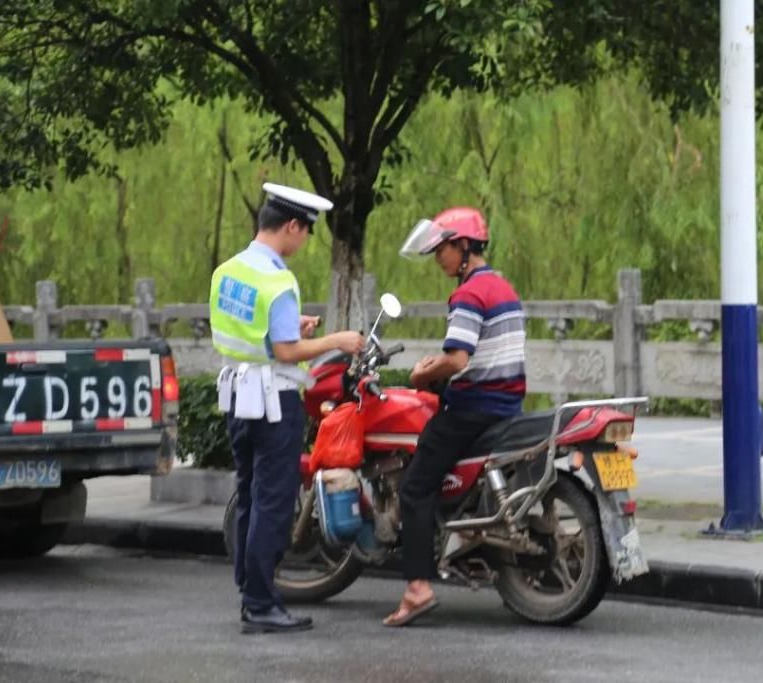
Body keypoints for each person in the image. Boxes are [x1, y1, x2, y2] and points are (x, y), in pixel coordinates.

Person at [209, 182, 364, 634]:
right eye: (305, 233)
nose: (303, 243)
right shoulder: (278, 279)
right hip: (274, 401)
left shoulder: (229, 270)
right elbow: (285, 351)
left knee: (250, 495)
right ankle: (260, 604)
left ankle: (247, 586)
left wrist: (290, 327)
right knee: (273, 504)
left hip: (238, 396)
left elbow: (244, 330)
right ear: (291, 226)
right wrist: (337, 340)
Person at [383, 207, 527, 626]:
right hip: (506, 404)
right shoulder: (502, 286)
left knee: (413, 486)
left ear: (463, 247)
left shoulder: (468, 293)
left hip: (473, 408)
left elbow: (459, 358)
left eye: (442, 249)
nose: (437, 258)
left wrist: (425, 372)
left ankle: (417, 588)